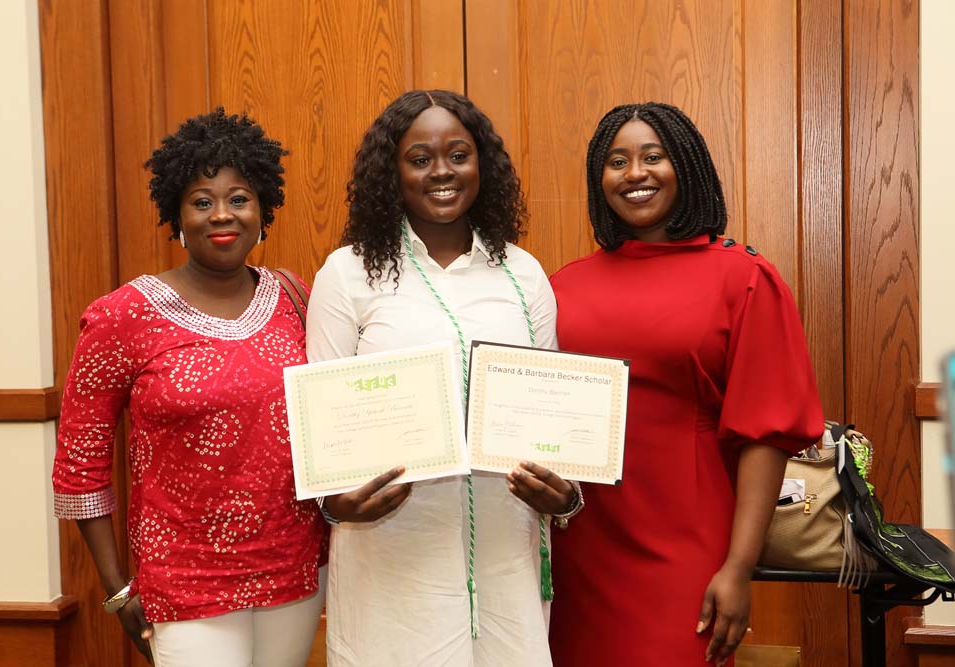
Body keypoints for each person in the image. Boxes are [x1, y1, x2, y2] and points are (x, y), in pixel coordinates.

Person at [306, 89, 582, 666]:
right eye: (419, 158)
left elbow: (550, 410)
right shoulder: (348, 274)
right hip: (393, 553)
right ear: (391, 172)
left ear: (482, 163)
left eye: (458, 155)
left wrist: (566, 496)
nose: (442, 172)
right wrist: (337, 504)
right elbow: (324, 428)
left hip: (507, 550)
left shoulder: (522, 273)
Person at [548, 102, 824, 667]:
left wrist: (738, 568)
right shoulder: (562, 286)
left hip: (685, 543)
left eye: (654, 157)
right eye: (617, 161)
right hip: (577, 543)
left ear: (687, 166)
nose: (635, 173)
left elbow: (766, 436)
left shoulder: (743, 277)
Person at [51, 108, 328, 667]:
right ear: (176, 215)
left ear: (263, 211)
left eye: (239, 198)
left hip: (295, 567)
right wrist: (117, 588)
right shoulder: (122, 316)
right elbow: (80, 465)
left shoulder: (294, 297)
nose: (221, 214)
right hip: (183, 578)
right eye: (202, 201)